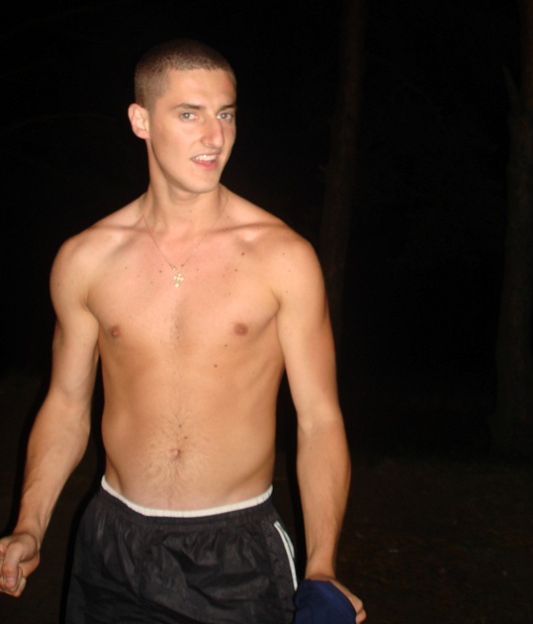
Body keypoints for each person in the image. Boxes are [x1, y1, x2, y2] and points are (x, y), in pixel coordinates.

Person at [0, 39, 365, 623]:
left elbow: (319, 419)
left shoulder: (283, 258)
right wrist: (29, 524)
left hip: (236, 554)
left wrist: (321, 565)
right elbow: (67, 405)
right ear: (141, 120)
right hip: (111, 546)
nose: (215, 136)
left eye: (226, 114)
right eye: (190, 114)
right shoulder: (85, 260)